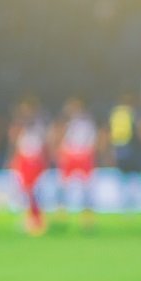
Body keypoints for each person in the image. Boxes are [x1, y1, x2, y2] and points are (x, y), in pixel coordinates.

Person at [52, 97, 100, 231]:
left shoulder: (87, 122)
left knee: (86, 188)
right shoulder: (67, 123)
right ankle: (61, 215)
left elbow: (92, 140)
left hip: (83, 156)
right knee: (63, 186)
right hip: (70, 155)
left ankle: (87, 219)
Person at [9, 96, 49, 236]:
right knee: (26, 193)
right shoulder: (23, 125)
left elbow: (42, 144)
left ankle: (37, 221)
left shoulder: (37, 125)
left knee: (34, 193)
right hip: (25, 160)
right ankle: (31, 221)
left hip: (34, 160)